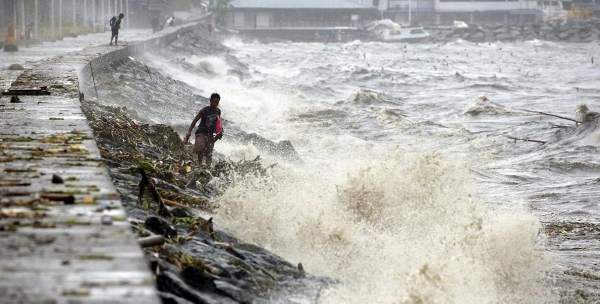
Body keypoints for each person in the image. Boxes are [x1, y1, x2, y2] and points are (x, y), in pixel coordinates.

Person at [184, 93, 224, 167]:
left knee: (209, 153)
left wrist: (220, 131)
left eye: (217, 102)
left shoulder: (218, 111)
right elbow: (194, 121)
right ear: (210, 101)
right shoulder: (204, 110)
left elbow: (218, 123)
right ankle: (200, 165)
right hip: (201, 132)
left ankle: (208, 167)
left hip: (210, 134)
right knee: (201, 149)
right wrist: (189, 133)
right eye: (214, 102)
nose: (216, 104)